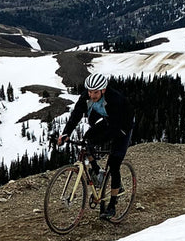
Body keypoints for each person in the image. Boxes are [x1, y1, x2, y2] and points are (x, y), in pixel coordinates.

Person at [56, 73, 135, 218]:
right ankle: (97, 171)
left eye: (95, 92)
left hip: (122, 125)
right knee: (87, 140)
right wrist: (66, 133)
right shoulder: (86, 96)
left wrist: (99, 140)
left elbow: (115, 128)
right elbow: (76, 115)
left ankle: (112, 205)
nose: (92, 95)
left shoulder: (114, 99)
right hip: (107, 120)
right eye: (89, 91)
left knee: (114, 163)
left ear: (103, 90)